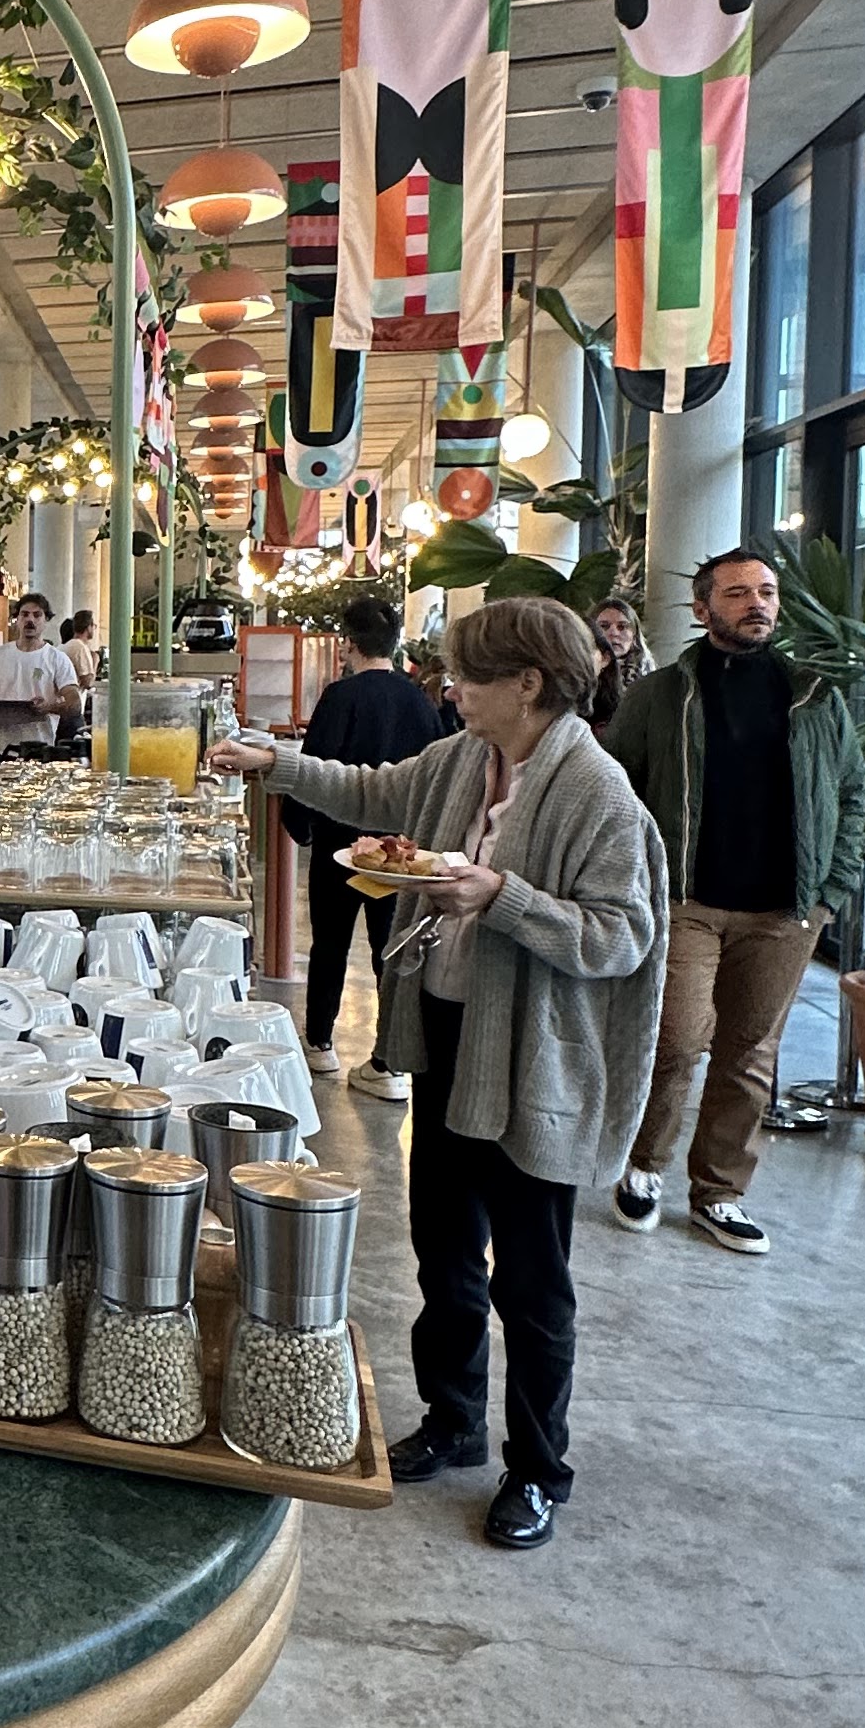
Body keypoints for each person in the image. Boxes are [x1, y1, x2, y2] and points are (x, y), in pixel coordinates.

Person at [217, 598, 666, 1550]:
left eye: (468, 675)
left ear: (528, 685)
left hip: (532, 1057)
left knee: (533, 1279)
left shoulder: (597, 790)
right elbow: (376, 794)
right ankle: (454, 1418)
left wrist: (502, 895)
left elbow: (621, 936)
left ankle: (538, 1469)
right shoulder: (466, 758)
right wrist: (274, 765)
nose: (451, 689)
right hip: (450, 1037)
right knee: (445, 1247)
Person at [601, 544, 862, 1258]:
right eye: (739, 593)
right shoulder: (662, 694)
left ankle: (719, 1192)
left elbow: (850, 795)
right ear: (702, 608)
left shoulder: (814, 695)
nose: (757, 604)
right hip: (687, 901)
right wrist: (633, 881)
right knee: (677, 1041)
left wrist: (829, 894)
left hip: (785, 910)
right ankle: (644, 1165)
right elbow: (615, 791)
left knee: (750, 1053)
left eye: (767, 592)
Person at [285, 592, 448, 1095]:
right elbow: (436, 774)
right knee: (391, 951)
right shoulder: (420, 700)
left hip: (340, 845)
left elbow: (315, 768)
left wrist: (301, 825)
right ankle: (388, 1062)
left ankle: (320, 1044)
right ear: (394, 643)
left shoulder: (340, 696)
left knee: (330, 943)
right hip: (400, 854)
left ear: (349, 643)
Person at [0, 590, 80, 756]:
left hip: (38, 750)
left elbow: (75, 704)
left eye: (37, 615)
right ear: (17, 619)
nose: (30, 620)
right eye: (24, 614)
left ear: (46, 620)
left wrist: (49, 707)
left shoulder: (57, 659)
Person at [588, 593, 643, 733]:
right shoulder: (581, 677)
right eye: (604, 626)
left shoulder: (649, 678)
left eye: (622, 627)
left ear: (634, 636)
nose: (613, 633)